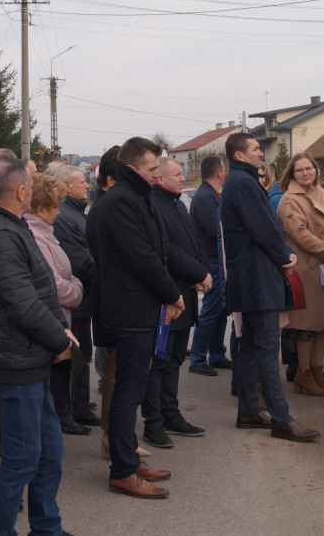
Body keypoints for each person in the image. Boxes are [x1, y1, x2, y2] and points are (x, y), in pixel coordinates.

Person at [0, 155, 76, 536]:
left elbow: (36, 288)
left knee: (49, 452)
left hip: (31, 357)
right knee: (21, 458)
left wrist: (56, 340)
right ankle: (0, 531)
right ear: (20, 191)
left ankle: (47, 527)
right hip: (16, 364)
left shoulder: (10, 225)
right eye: (30, 183)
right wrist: (59, 338)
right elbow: (22, 302)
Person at [96, 137, 181, 498]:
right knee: (127, 395)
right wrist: (172, 294)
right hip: (129, 311)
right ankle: (123, 471)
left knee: (132, 390)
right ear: (132, 169)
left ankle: (129, 457)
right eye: (150, 171)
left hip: (140, 309)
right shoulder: (119, 203)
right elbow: (142, 257)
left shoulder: (135, 197)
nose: (156, 177)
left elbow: (157, 250)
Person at [221, 132, 319, 442]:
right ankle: (281, 419)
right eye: (255, 149)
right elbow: (262, 228)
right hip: (256, 278)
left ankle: (249, 410)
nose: (261, 153)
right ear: (240, 156)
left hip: (250, 277)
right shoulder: (244, 182)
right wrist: (285, 256)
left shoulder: (241, 181)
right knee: (265, 347)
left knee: (250, 346)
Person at [86, 147, 150, 461]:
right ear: (113, 178)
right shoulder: (107, 207)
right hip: (114, 301)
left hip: (111, 298)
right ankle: (114, 438)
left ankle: (119, 437)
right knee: (114, 373)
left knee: (116, 371)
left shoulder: (107, 204)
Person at [143, 157, 210, 448]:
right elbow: (166, 250)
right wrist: (198, 273)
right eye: (178, 174)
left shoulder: (178, 203)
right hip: (166, 297)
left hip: (186, 294)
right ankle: (153, 422)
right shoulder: (154, 206)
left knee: (173, 361)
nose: (183, 179)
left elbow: (195, 243)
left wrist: (203, 272)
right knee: (158, 361)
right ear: (159, 178)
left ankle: (171, 414)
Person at [24, 173, 87, 435]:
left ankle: (62, 417)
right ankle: (59, 422)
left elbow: (67, 272)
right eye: (55, 207)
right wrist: (77, 291)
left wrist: (73, 284)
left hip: (62, 315)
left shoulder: (46, 232)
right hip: (54, 320)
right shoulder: (37, 237)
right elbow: (54, 284)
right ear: (40, 210)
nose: (59, 213)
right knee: (54, 382)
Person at [276, 152, 324, 397]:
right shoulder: (289, 200)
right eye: (299, 170)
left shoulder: (323, 195)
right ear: (291, 173)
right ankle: (303, 373)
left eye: (309, 168)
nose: (305, 173)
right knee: (306, 326)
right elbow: (300, 235)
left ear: (316, 170)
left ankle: (317, 371)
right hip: (305, 267)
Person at [52, 165, 100, 428]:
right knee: (75, 356)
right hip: (75, 299)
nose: (87, 185)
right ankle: (68, 412)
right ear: (67, 185)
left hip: (83, 298)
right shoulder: (64, 217)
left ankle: (79, 407)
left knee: (84, 354)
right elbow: (79, 261)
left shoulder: (76, 213)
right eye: (82, 181)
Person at [188, 154, 231, 375]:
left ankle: (217, 354)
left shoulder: (212, 195)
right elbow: (217, 231)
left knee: (221, 311)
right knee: (211, 311)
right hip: (212, 262)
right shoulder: (205, 197)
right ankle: (197, 359)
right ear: (219, 173)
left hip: (218, 261)